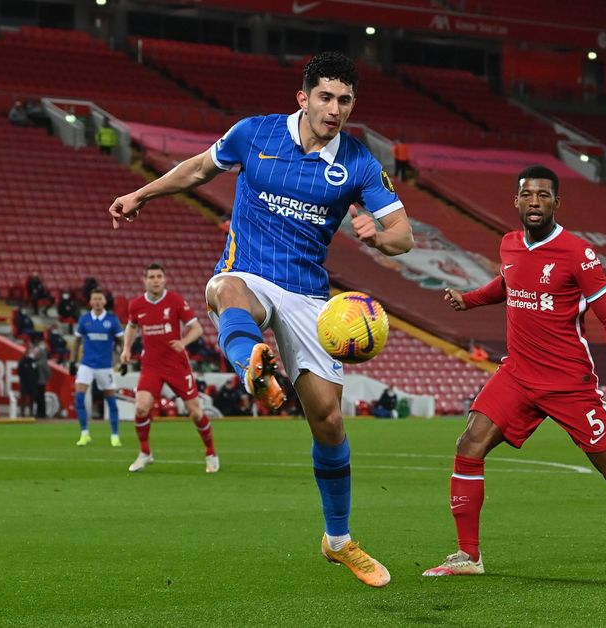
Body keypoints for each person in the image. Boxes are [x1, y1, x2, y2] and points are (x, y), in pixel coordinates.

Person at [108, 51, 413, 588]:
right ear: (303, 97)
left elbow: (403, 236)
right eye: (325, 97)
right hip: (246, 270)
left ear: (352, 105)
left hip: (310, 298)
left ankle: (338, 540)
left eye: (344, 100)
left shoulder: (360, 163)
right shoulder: (255, 134)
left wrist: (378, 238)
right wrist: (141, 193)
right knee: (227, 291)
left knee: (330, 422)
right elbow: (201, 168)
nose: (334, 108)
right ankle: (253, 365)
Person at [423, 165, 606, 577]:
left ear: (557, 203)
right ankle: (468, 556)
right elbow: (508, 283)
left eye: (543, 195)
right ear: (516, 201)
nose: (535, 202)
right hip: (518, 375)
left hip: (568, 384)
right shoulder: (509, 244)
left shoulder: (578, 252)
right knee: (469, 444)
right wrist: (469, 300)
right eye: (527, 195)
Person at [119, 264, 219, 473]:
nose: (155, 280)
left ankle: (211, 453)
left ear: (165, 280)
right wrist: (126, 349)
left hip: (176, 365)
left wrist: (183, 342)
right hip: (151, 365)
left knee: (194, 412)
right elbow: (132, 326)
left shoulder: (175, 301)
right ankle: (145, 453)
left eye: (159, 276)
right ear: (144, 280)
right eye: (151, 277)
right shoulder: (136, 305)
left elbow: (197, 328)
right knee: (141, 407)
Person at [70, 288, 125, 447]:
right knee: (79, 398)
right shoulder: (85, 319)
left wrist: (123, 361)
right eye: (95, 299)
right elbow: (77, 342)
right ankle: (84, 433)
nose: (97, 302)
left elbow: (122, 341)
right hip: (86, 364)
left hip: (105, 366)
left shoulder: (112, 320)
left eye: (100, 299)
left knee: (111, 402)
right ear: (90, 301)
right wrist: (73, 362)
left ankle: (115, 435)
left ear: (105, 301)